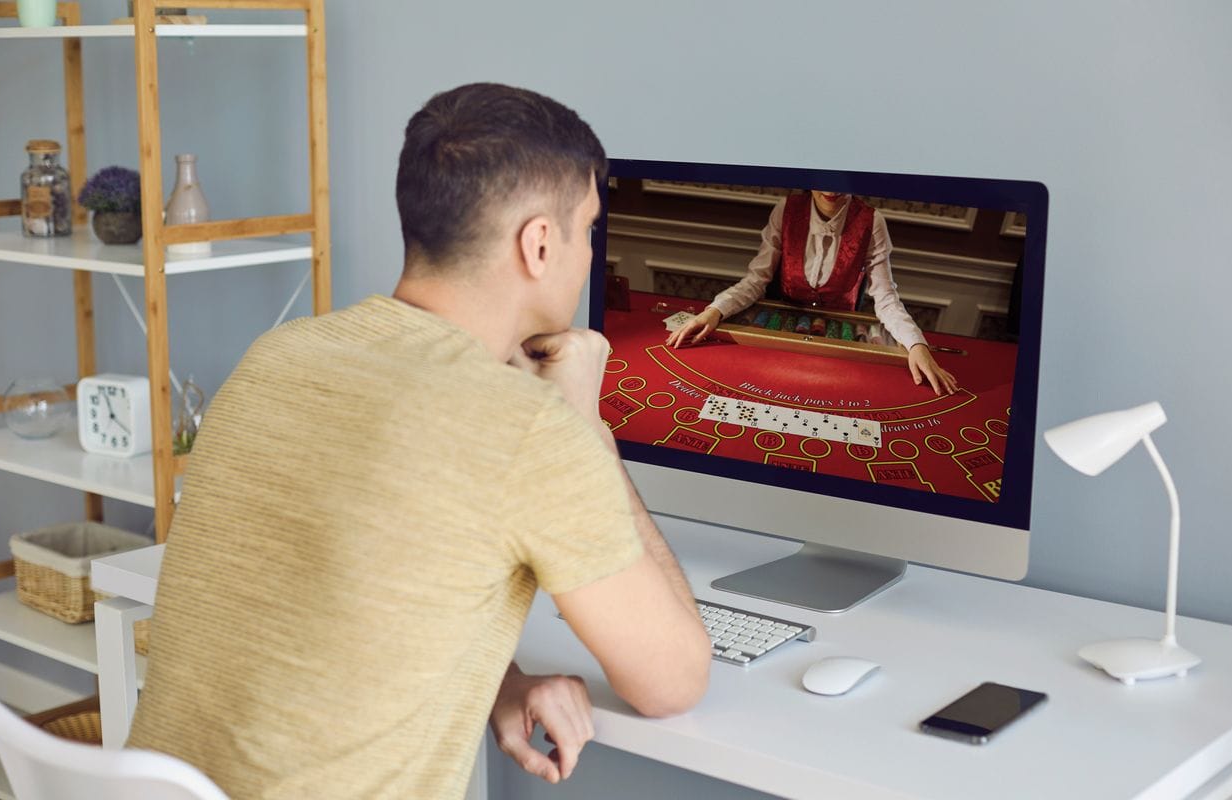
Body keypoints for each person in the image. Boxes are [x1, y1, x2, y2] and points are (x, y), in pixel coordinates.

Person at [126, 83, 710, 800]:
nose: (590, 254)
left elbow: (330, 594)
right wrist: (586, 427)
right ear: (539, 243)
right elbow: (675, 681)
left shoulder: (277, 357)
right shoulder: (528, 430)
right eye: (589, 230)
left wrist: (498, 680)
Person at [666, 190, 959, 395]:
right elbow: (756, 280)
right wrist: (713, 311)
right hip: (781, 331)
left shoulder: (873, 220)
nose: (832, 189)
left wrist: (916, 344)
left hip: (841, 339)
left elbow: (885, 298)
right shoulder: (786, 209)